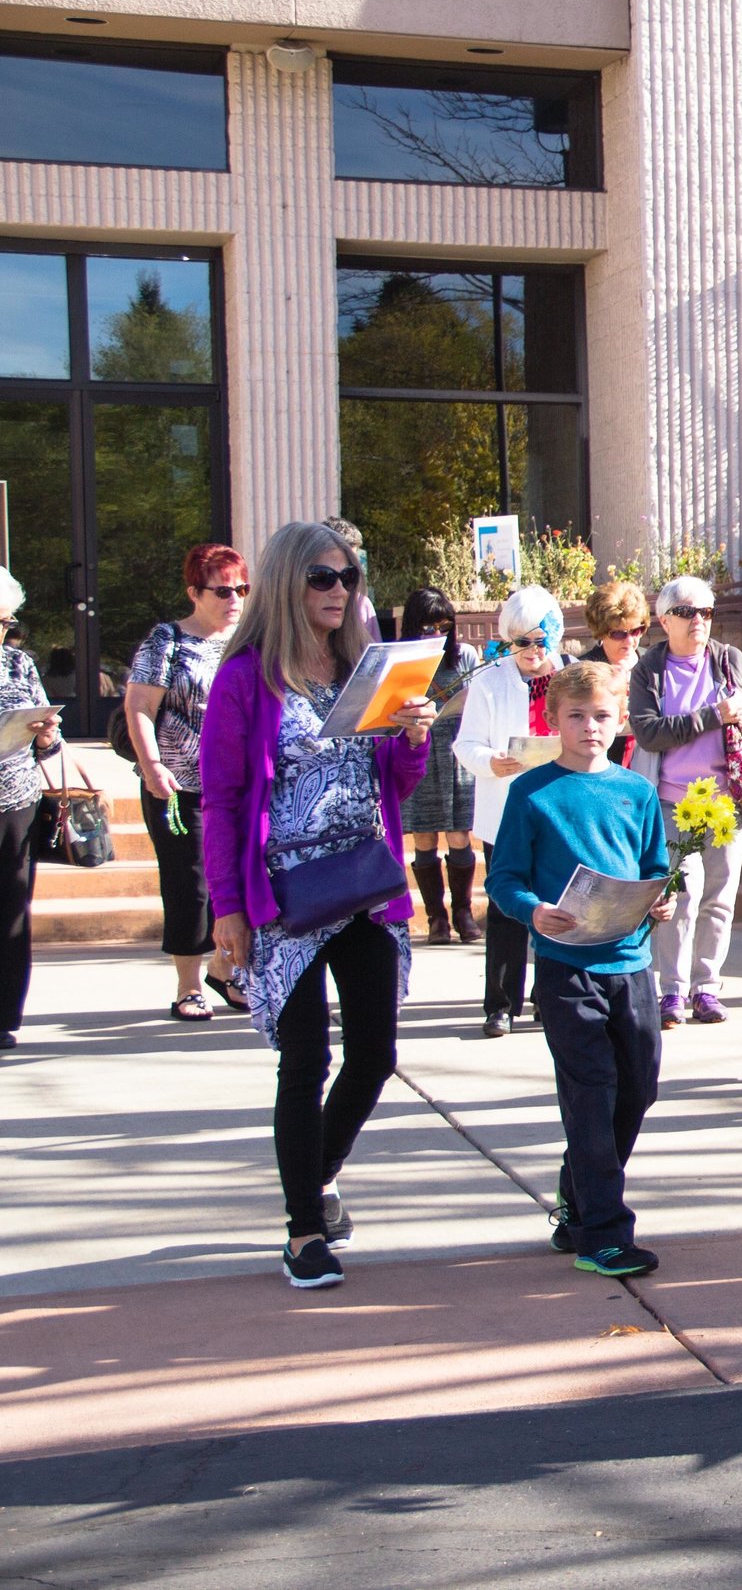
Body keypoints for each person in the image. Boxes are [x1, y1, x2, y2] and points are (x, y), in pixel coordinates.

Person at [200, 521, 434, 1289]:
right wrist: (227, 908)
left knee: (375, 1054)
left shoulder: (362, 669)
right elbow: (224, 800)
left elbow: (393, 784)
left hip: (363, 884)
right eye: (323, 578)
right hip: (286, 897)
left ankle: (319, 1172)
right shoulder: (245, 679)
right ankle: (304, 1229)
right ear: (286, 585)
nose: (340, 591)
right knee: (305, 1061)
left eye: (348, 578)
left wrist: (413, 737)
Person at [484, 661, 675, 1279]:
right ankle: (604, 1233)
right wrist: (532, 911)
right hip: (566, 967)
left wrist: (661, 899)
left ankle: (579, 1194)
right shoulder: (532, 792)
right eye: (576, 716)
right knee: (590, 1093)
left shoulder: (637, 792)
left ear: (621, 720)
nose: (590, 727)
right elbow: (504, 878)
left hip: (631, 963)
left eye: (601, 715)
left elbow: (654, 866)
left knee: (637, 1089)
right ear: (552, 720)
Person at [628, 575, 742, 1029]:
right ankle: (671, 990)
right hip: (672, 802)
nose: (699, 622)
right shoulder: (648, 669)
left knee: (719, 897)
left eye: (706, 613)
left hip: (727, 800)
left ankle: (706, 987)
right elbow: (648, 731)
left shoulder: (729, 660)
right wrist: (711, 717)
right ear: (664, 619)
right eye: (688, 613)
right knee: (679, 895)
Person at [125, 543, 249, 1018]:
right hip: (180, 786)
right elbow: (138, 707)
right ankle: (188, 985)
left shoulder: (250, 641)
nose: (234, 598)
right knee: (190, 886)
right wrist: (154, 767)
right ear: (195, 593)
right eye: (222, 590)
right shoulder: (167, 640)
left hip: (239, 786)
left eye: (241, 588)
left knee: (235, 883)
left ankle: (225, 968)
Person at [455, 586, 566, 1040]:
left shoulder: (572, 675)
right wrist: (490, 761)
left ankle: (549, 997)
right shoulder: (489, 680)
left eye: (541, 640)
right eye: (521, 642)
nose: (532, 651)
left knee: (556, 904)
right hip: (506, 806)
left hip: (559, 805)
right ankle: (500, 1004)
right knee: (505, 906)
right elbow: (465, 744)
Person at [396, 588, 482, 947]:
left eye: (444, 625)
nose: (436, 634)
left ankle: (463, 912)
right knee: (425, 837)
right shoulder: (402, 660)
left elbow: (477, 698)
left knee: (460, 833)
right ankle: (436, 917)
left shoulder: (463, 655)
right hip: (419, 750)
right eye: (428, 626)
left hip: (457, 749)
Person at [0, 570, 61, 1050]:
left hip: (15, 800)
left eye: (6, 622)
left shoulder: (19, 665)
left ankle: (3, 1016)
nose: (3, 632)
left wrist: (44, 734)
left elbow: (48, 743)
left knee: (12, 908)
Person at [585, 580, 651, 765]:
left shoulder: (653, 663)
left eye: (637, 631)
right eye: (619, 634)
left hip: (649, 768)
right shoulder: (585, 669)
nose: (630, 641)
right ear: (601, 632)